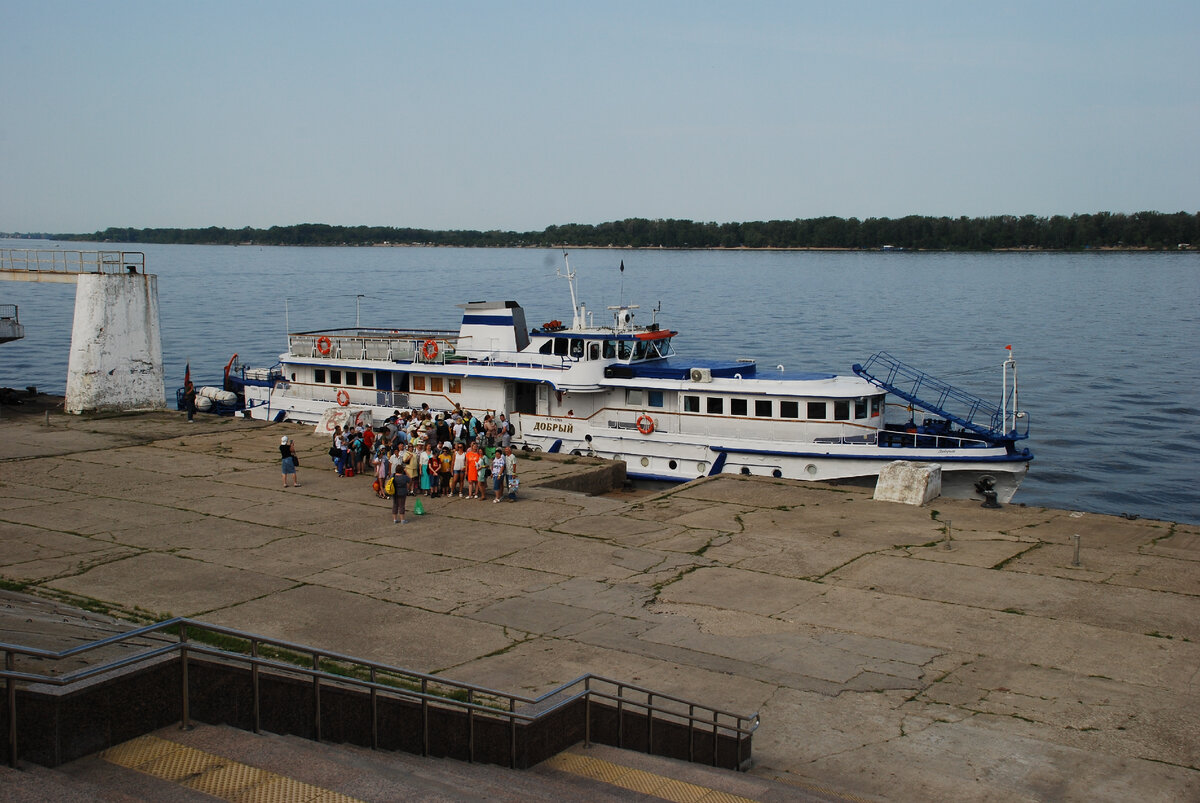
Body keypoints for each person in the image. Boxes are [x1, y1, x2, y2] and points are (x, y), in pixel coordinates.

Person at [391, 460, 410, 524]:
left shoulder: (393, 476)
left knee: (395, 505)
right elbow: (410, 479)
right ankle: (402, 520)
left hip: (394, 492)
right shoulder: (404, 477)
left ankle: (395, 519)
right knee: (401, 505)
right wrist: (406, 471)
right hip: (402, 492)